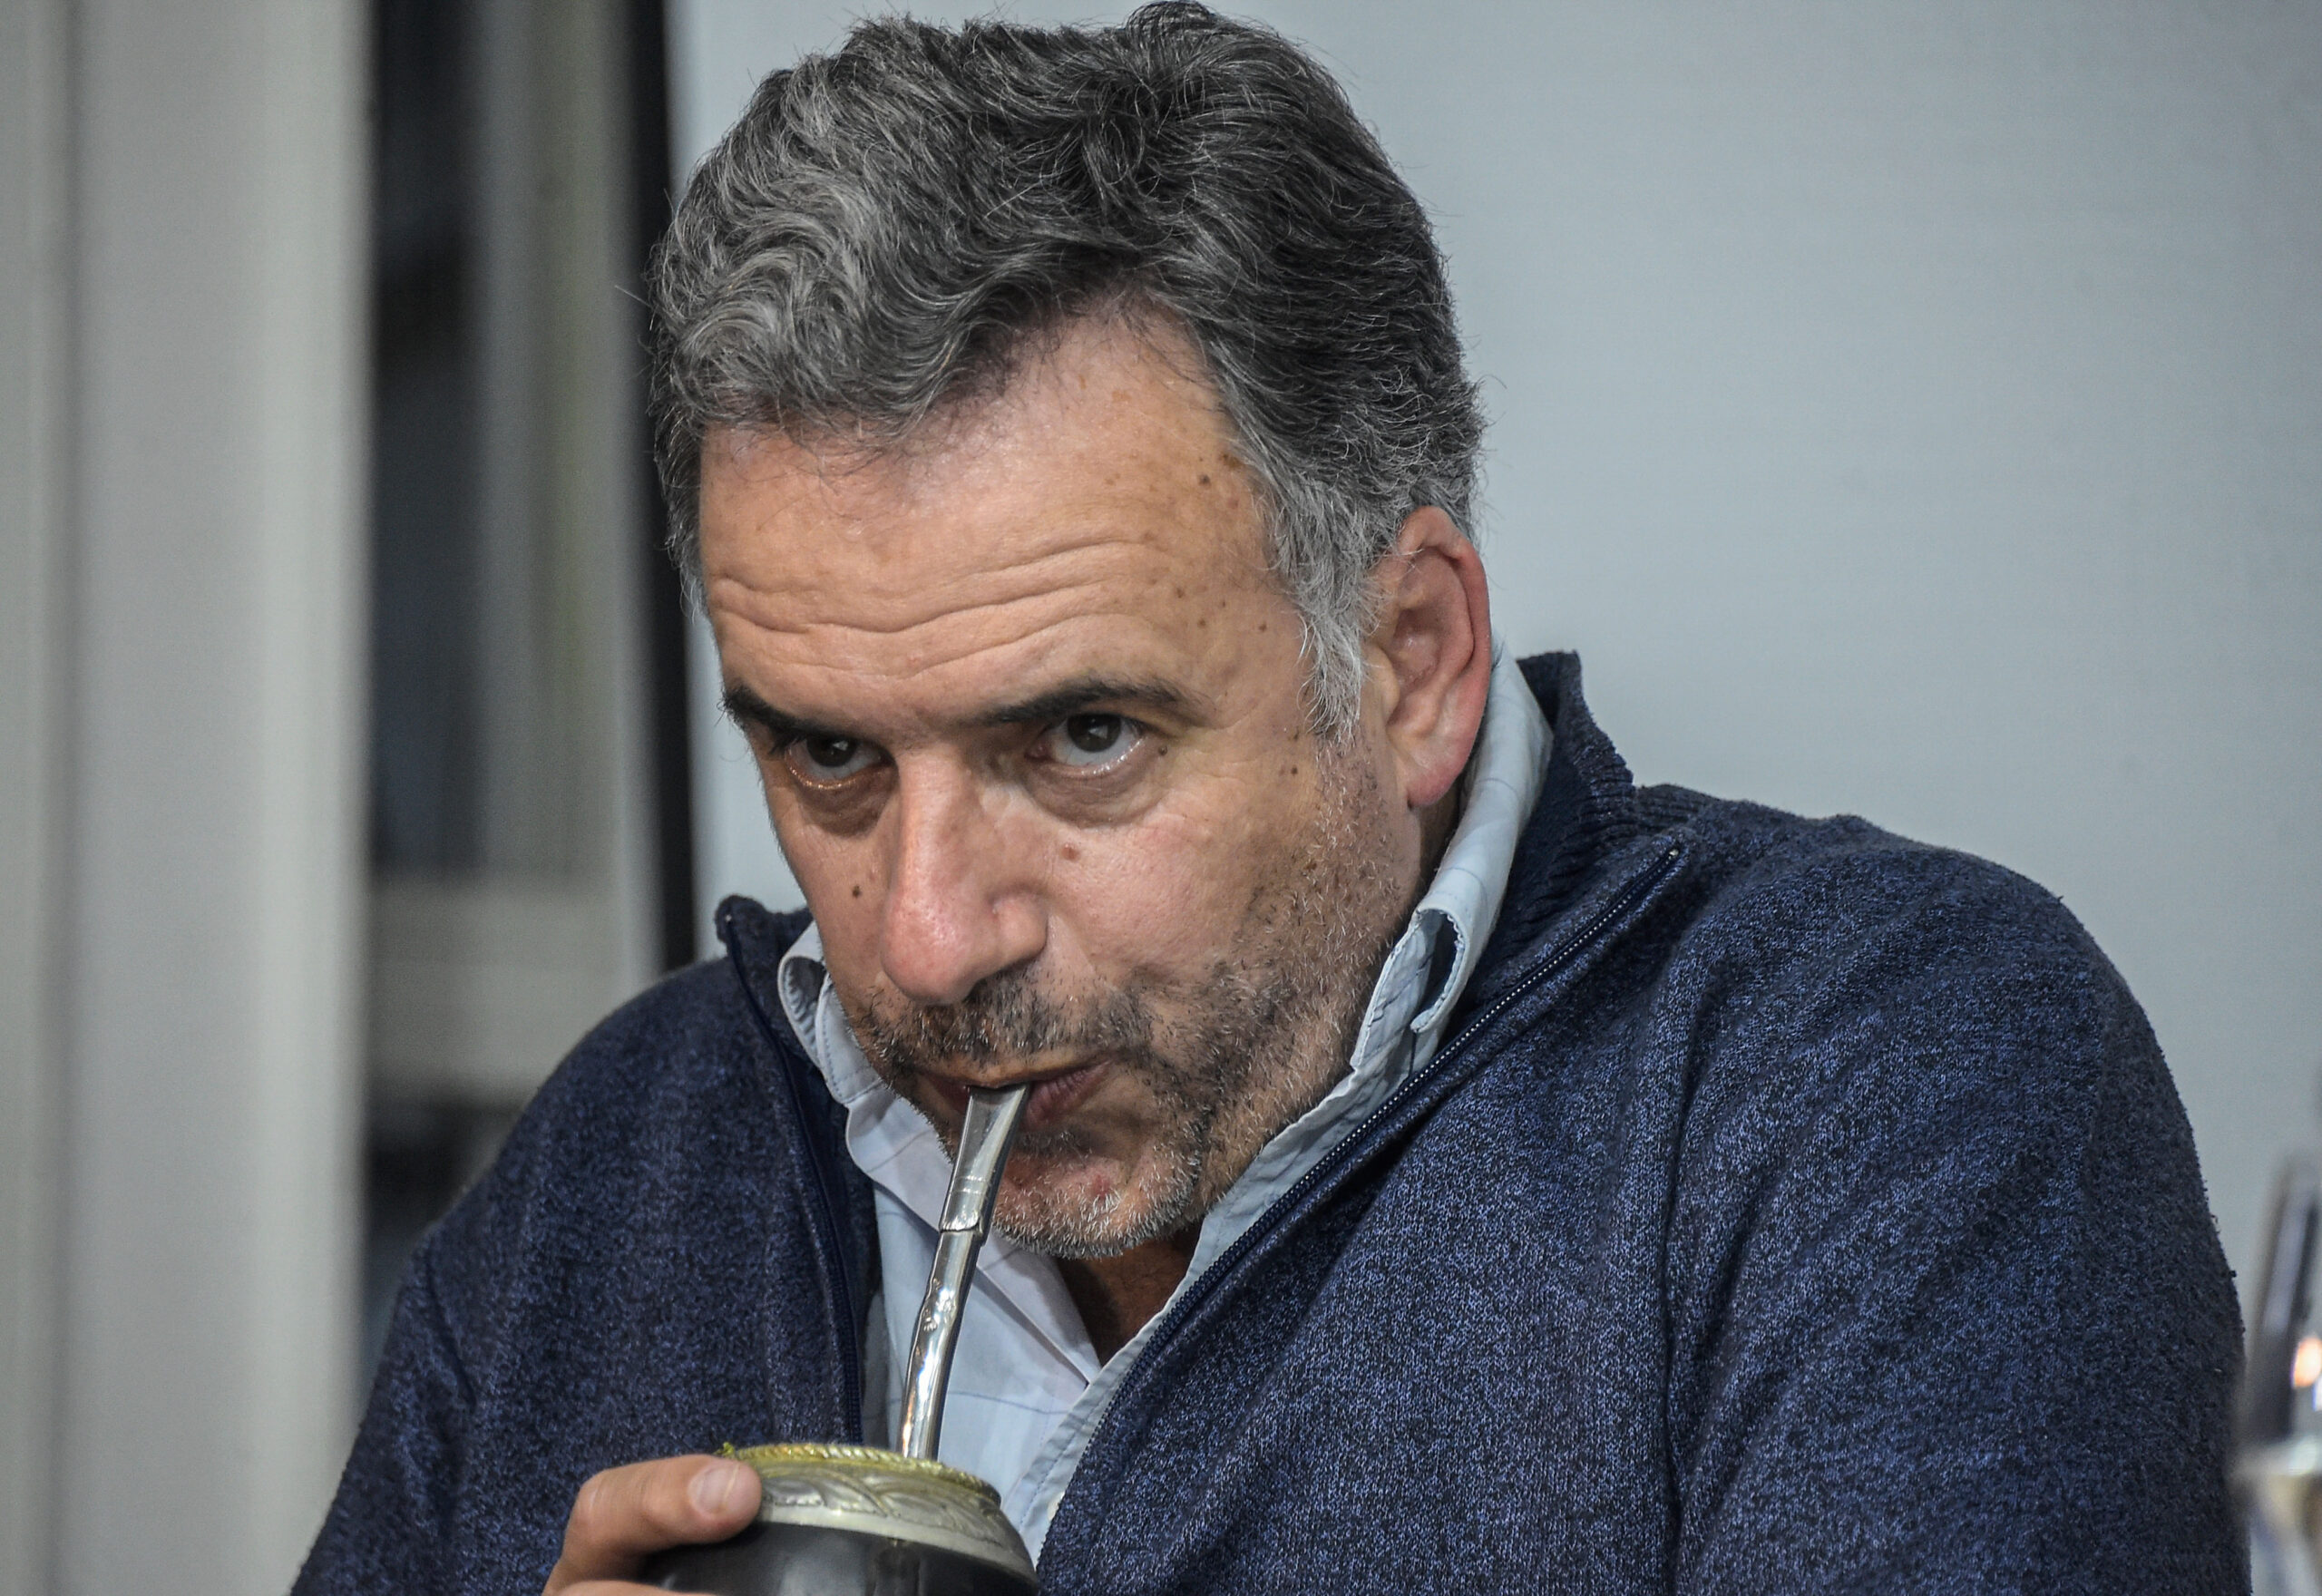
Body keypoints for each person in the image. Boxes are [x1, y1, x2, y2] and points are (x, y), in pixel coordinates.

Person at [294, 6, 2246, 1591]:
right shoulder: (623, 1164)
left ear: (1410, 659)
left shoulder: (1882, 1093)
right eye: (830, 757)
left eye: (1082, 738)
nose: (927, 941)